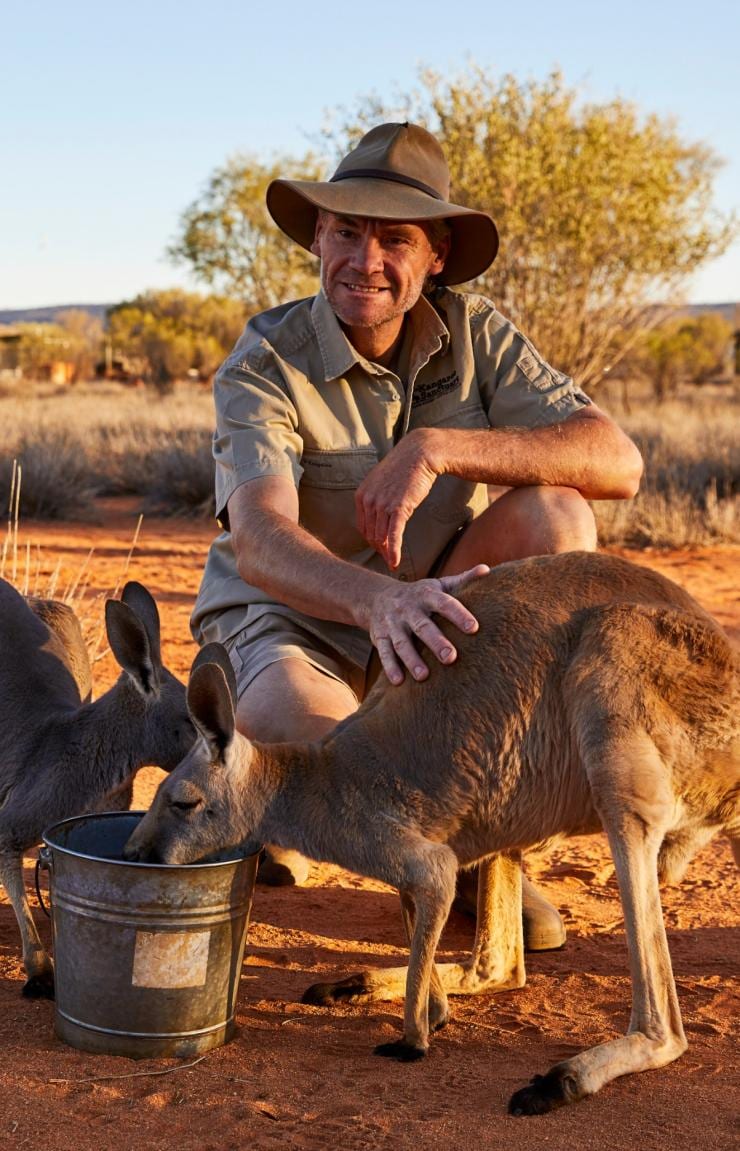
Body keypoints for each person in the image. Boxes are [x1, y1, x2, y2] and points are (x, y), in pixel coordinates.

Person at [191, 122, 643, 949]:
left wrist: (437, 447)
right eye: (346, 231)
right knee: (331, 751)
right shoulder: (265, 359)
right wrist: (380, 602)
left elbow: (616, 459)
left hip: (427, 612)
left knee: (560, 516)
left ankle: (473, 852)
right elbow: (258, 538)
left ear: (435, 253)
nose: (365, 260)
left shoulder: (478, 336)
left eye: (393, 238)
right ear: (317, 239)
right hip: (287, 625)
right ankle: (262, 803)